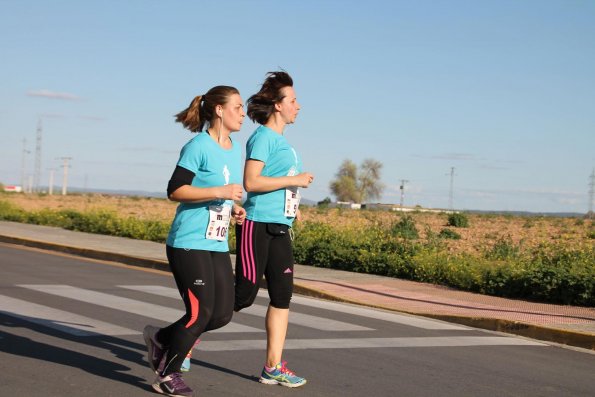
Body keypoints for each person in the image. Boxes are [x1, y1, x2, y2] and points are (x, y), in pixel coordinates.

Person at [143, 85, 246, 397]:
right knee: (199, 314)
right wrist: (222, 192)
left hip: (214, 242)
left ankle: (161, 337)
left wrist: (233, 209)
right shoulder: (197, 146)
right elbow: (176, 190)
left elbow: (220, 192)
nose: (243, 114)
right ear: (219, 110)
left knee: (222, 314)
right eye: (238, 107)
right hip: (188, 241)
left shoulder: (232, 147)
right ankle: (167, 374)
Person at [234, 71, 313, 388]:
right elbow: (251, 182)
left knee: (282, 297)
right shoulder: (263, 137)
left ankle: (272, 367)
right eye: (293, 100)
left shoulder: (282, 142)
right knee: (242, 296)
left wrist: (292, 203)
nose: (298, 105)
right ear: (278, 106)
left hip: (280, 226)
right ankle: (181, 345)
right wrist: (294, 180)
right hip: (257, 225)